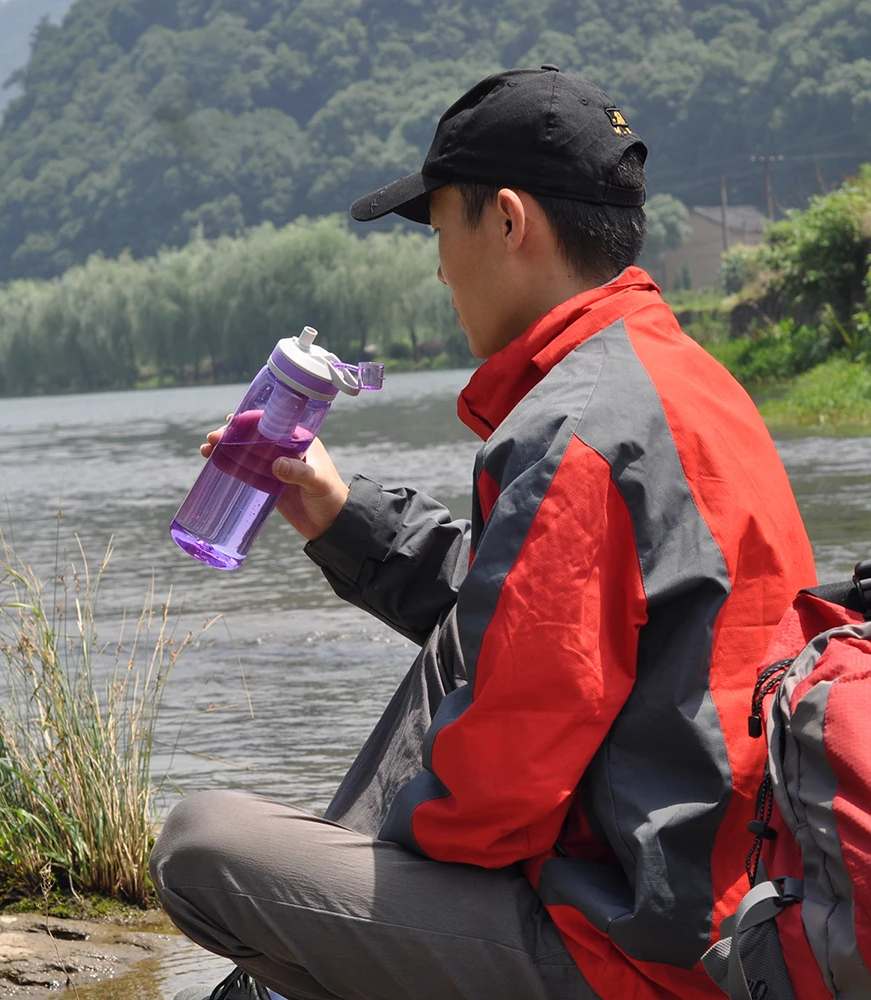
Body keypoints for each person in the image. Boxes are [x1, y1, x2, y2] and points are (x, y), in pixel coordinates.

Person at [150, 67, 817, 1000]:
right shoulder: (677, 378)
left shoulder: (576, 432)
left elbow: (496, 795)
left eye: (439, 229)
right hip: (736, 904)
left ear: (508, 221)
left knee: (200, 849)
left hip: (636, 955)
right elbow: (511, 615)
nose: (438, 268)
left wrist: (343, 898)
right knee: (452, 664)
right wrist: (343, 515)